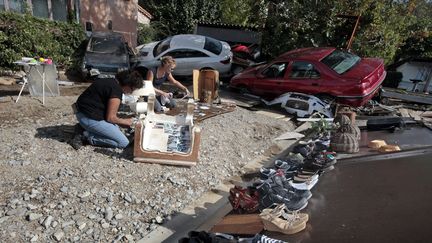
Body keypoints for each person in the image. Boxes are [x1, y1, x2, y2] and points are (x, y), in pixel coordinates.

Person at [72, 70, 143, 149]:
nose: (131, 92)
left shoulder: (110, 81)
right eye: (132, 89)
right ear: (128, 85)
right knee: (123, 142)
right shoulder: (115, 91)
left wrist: (123, 123)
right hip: (88, 117)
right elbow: (111, 118)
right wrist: (127, 121)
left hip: (83, 112)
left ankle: (84, 127)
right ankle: (85, 135)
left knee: (118, 131)